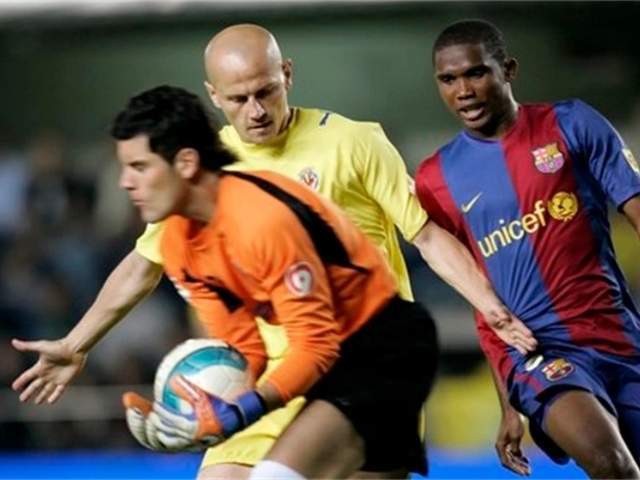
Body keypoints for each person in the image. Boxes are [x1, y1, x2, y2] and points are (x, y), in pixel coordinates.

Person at [11, 24, 535, 479]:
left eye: (266, 91)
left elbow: (427, 237)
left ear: (287, 74)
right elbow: (143, 264)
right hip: (261, 382)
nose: (256, 111)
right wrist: (76, 343)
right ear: (213, 96)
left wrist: (493, 309)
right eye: (239, 99)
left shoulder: (353, 142)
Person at [415, 19, 640, 479]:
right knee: (612, 465)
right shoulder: (436, 179)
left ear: (508, 70)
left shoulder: (571, 124)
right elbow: (479, 296)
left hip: (618, 336)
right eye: (448, 79)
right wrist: (509, 404)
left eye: (476, 73)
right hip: (539, 352)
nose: (463, 91)